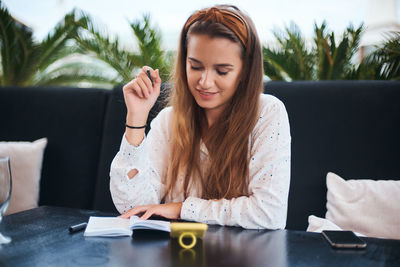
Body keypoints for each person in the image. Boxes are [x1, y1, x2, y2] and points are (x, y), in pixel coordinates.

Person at [110, 4, 291, 229]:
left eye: (222, 71)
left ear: (245, 70)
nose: (204, 82)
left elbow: (268, 213)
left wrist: (181, 208)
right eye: (195, 66)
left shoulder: (267, 113)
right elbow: (133, 208)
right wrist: (136, 118)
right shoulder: (168, 121)